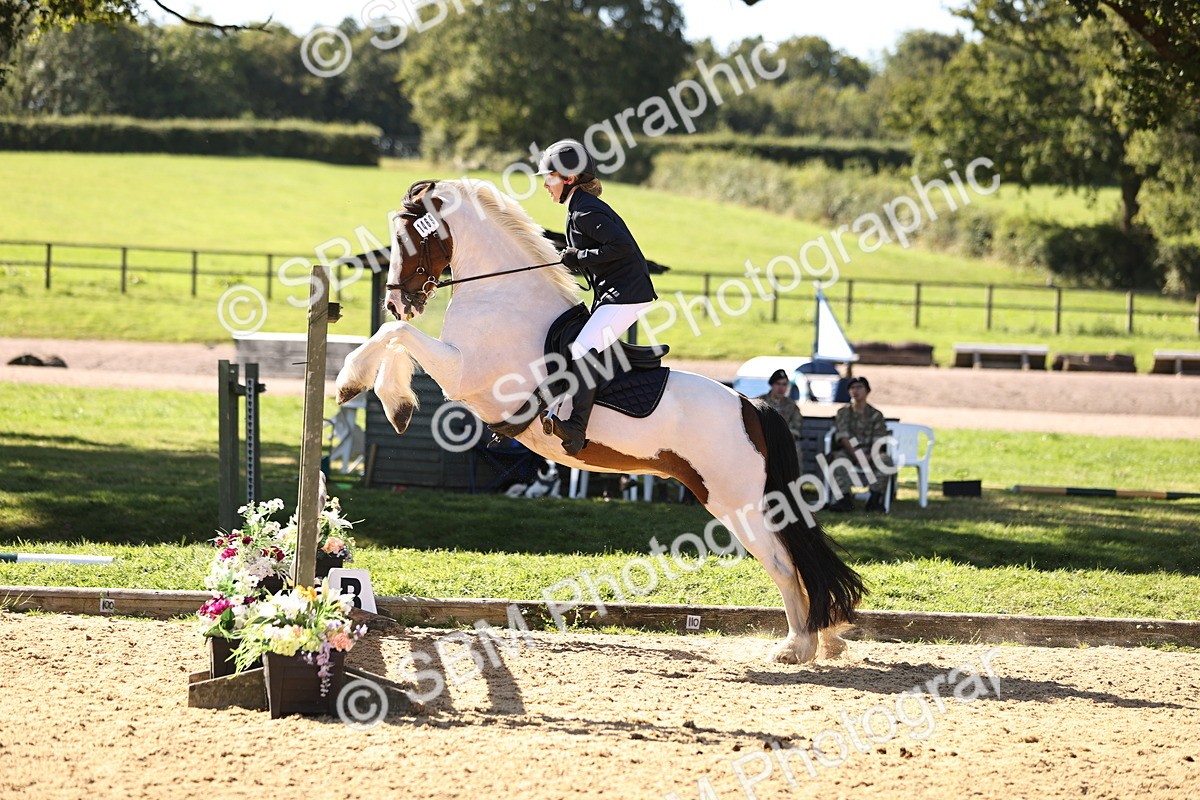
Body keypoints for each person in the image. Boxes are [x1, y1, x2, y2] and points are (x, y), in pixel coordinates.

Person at [536, 138, 658, 455]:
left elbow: (622, 248)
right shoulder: (579, 207)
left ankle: (577, 429)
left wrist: (579, 256)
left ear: (569, 178)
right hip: (615, 293)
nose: (546, 185)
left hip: (627, 294)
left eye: (550, 177)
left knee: (583, 348)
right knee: (579, 342)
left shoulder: (585, 211)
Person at [828, 376, 893, 512]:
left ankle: (874, 499)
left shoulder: (875, 415)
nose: (855, 391)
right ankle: (844, 499)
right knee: (838, 459)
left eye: (859, 387)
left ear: (867, 390)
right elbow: (843, 437)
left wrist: (869, 456)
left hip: (871, 452)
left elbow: (879, 439)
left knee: (885, 460)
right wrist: (857, 454)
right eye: (852, 388)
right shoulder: (844, 412)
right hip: (849, 451)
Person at [757, 368, 804, 445]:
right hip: (763, 442)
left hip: (784, 443)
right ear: (772, 385)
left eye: (784, 384)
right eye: (778, 384)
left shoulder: (791, 405)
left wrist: (784, 434)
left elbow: (796, 427)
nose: (781, 388)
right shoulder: (760, 402)